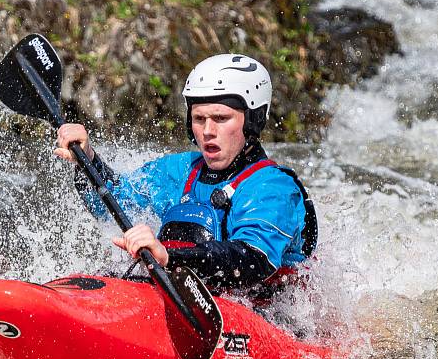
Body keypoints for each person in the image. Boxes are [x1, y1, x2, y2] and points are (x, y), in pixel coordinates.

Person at [54, 54, 317, 292]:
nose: (208, 131)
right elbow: (114, 203)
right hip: (183, 299)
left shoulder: (273, 188)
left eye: (221, 118)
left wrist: (170, 257)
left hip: (268, 319)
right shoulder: (180, 171)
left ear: (252, 121)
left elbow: (251, 260)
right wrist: (86, 159)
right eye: (199, 119)